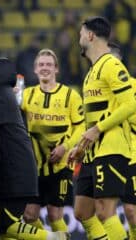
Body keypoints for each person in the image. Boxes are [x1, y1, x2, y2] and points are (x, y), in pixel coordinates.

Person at [0, 57, 69, 239]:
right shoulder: (1, 95)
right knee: (1, 228)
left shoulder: (1, 96)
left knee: (5, 225)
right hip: (10, 172)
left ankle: (52, 238)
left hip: (14, 173)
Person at [68, 16, 136, 240]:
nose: (78, 38)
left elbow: (131, 103)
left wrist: (98, 129)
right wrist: (80, 146)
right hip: (91, 151)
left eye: (80, 34)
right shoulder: (91, 72)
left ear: (90, 35)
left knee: (105, 210)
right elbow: (91, 119)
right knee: (81, 212)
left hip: (111, 147)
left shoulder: (111, 64)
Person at [21, 49, 84, 232]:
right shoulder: (27, 95)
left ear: (56, 69)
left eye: (49, 64)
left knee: (54, 214)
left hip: (61, 166)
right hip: (35, 168)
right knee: (29, 216)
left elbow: (81, 127)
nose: (45, 68)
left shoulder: (70, 95)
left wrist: (65, 147)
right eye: (41, 65)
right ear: (35, 70)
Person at [109, 41, 136, 240]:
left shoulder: (133, 86)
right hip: (106, 153)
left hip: (132, 154)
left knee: (131, 211)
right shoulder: (96, 88)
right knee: (95, 211)